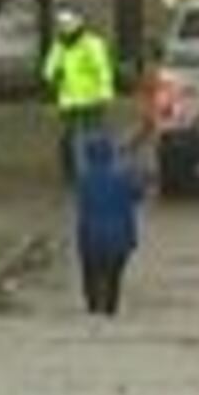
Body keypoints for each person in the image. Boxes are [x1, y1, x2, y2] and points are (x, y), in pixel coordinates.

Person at [41, 7, 116, 184]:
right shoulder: (59, 46)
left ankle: (96, 170)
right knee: (71, 137)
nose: (64, 30)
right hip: (69, 102)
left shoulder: (92, 44)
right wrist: (52, 75)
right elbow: (48, 69)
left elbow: (103, 69)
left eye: (67, 25)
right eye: (61, 26)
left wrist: (105, 93)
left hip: (92, 99)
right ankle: (75, 172)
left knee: (93, 135)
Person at [72, 129, 143, 317]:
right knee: (114, 279)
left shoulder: (84, 180)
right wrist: (133, 169)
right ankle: (110, 309)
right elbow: (138, 195)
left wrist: (80, 240)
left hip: (92, 238)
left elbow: (82, 209)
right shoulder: (123, 177)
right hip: (120, 239)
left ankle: (93, 307)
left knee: (90, 276)